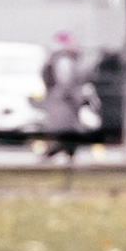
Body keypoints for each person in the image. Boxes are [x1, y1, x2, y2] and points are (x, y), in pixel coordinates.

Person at [42, 32, 91, 166]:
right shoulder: (64, 61)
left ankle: (67, 160)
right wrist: (77, 97)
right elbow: (66, 82)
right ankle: (54, 157)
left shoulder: (60, 59)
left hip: (62, 103)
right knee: (65, 134)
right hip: (64, 104)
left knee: (66, 135)